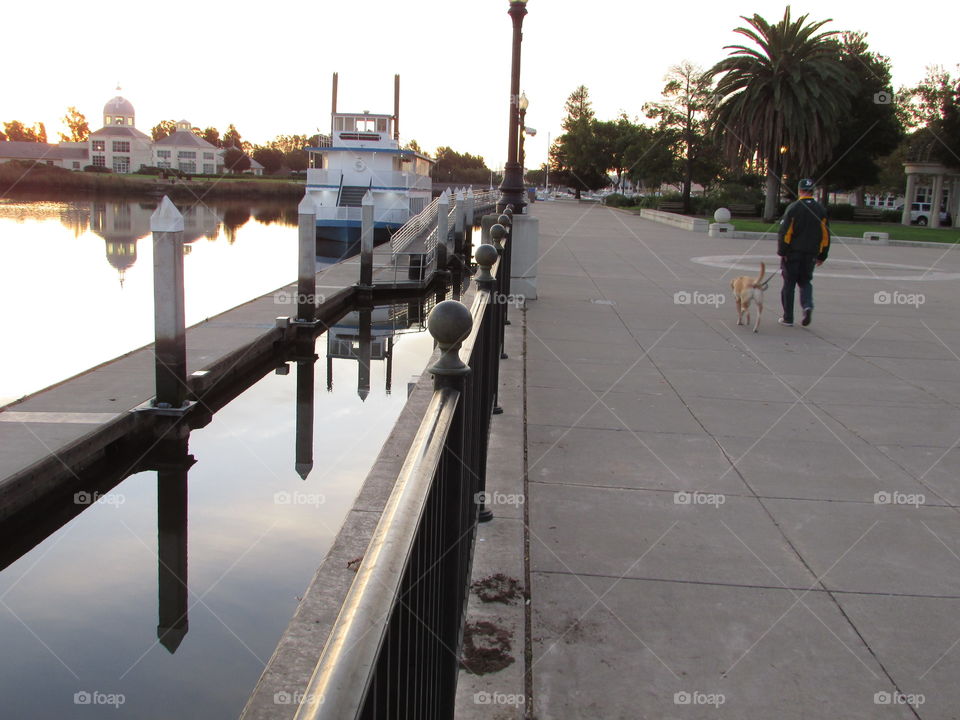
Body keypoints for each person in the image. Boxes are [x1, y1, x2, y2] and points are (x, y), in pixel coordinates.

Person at [777, 178, 830, 327]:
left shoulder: (794, 208)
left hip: (793, 253)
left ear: (800, 191)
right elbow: (825, 235)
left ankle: (788, 317)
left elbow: (785, 232)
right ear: (812, 191)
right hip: (811, 253)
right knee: (805, 281)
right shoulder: (820, 210)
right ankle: (807, 306)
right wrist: (822, 255)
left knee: (789, 283)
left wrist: (783, 251)